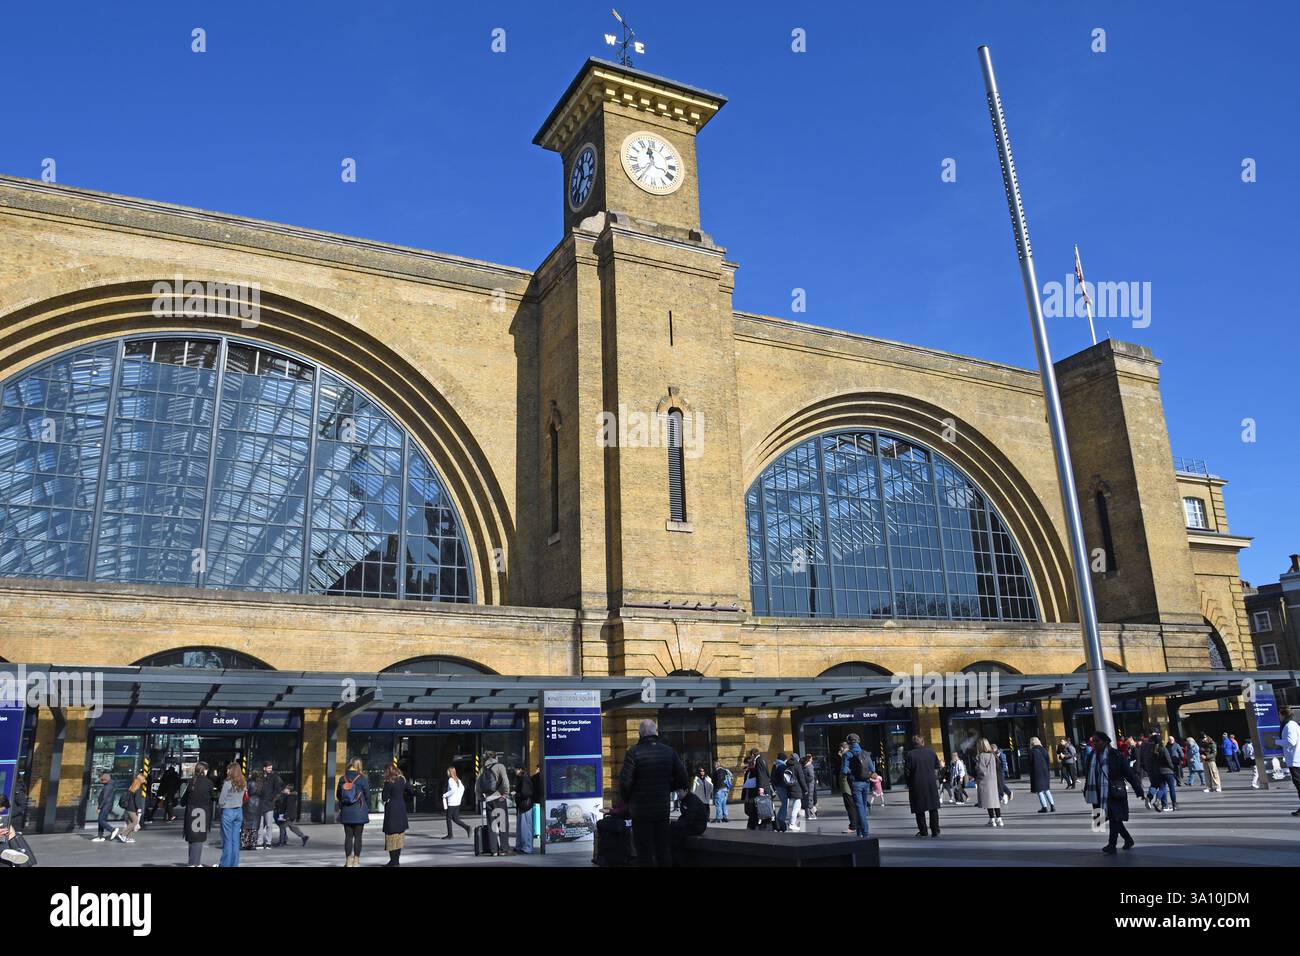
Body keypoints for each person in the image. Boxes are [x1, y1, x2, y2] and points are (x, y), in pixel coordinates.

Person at [617, 719, 689, 866]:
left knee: (644, 851)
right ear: (656, 732)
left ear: (640, 734)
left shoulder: (633, 753)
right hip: (662, 809)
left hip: (640, 810)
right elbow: (683, 778)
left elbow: (625, 782)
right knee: (663, 848)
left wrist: (628, 799)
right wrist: (668, 787)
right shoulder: (669, 751)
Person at [1085, 731, 1144, 854]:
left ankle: (1112, 844)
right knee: (1111, 818)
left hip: (1114, 791)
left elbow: (1128, 773)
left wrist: (1139, 790)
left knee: (1114, 817)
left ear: (1105, 742)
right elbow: (1089, 775)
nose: (1094, 743)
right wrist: (1087, 790)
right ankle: (1128, 839)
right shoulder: (1092, 755)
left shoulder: (1115, 755)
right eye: (1093, 741)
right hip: (1098, 793)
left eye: (1097, 741)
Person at [474, 751, 511, 856]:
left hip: (488, 800)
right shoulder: (500, 766)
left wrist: (480, 796)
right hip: (499, 798)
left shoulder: (482, 769)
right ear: (496, 757)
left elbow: (477, 786)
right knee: (502, 824)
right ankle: (504, 850)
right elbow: (505, 781)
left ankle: (494, 850)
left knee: (492, 825)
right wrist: (506, 793)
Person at [904, 735, 942, 838]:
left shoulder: (910, 755)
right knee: (933, 808)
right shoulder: (931, 752)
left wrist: (908, 783)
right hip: (930, 784)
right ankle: (935, 831)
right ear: (923, 742)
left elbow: (907, 772)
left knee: (919, 810)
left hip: (916, 784)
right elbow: (937, 767)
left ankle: (923, 831)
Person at [336, 756, 370, 867]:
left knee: (348, 837)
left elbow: (338, 795)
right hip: (359, 811)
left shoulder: (342, 778)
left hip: (347, 811)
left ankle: (348, 861)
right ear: (359, 765)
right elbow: (367, 795)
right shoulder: (362, 778)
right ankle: (356, 861)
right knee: (358, 837)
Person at [842, 733, 875, 837]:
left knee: (859, 807)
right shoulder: (865, 753)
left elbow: (844, 770)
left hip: (855, 783)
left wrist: (850, 771)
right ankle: (859, 832)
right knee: (863, 807)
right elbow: (872, 769)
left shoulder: (848, 754)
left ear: (849, 742)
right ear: (858, 741)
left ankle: (865, 832)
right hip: (866, 783)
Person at [381, 764, 413, 866]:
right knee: (399, 835)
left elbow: (384, 797)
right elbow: (410, 791)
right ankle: (397, 860)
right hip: (401, 808)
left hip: (392, 809)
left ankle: (393, 861)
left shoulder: (389, 781)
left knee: (391, 836)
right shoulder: (402, 779)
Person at [182, 761, 213, 866]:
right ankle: (194, 863)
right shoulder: (208, 783)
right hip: (202, 813)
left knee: (192, 839)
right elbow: (211, 797)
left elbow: (183, 800)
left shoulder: (191, 782)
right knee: (199, 840)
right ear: (204, 770)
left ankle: (193, 862)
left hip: (191, 813)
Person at [218, 762, 246, 867]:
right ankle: (234, 863)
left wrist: (222, 806)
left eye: (228, 769)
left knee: (227, 840)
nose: (226, 771)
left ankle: (225, 864)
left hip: (228, 811)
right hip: (239, 811)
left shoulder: (228, 782)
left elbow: (221, 800)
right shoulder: (243, 782)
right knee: (235, 840)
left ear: (231, 770)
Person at [975, 739, 1003, 827]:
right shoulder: (993, 755)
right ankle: (999, 819)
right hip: (994, 780)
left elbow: (981, 770)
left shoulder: (981, 756)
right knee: (995, 800)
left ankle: (992, 819)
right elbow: (998, 767)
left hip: (985, 781)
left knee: (988, 801)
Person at [742, 751, 772, 830]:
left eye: (746, 764)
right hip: (749, 794)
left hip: (754, 794)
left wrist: (761, 788)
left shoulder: (756, 769)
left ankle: (754, 827)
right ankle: (754, 826)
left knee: (755, 811)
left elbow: (761, 779)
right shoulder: (748, 771)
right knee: (750, 811)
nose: (745, 766)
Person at [1279, 706, 1300, 815]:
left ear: (1283, 714)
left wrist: (1278, 742)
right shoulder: (1293, 724)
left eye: (1279, 714)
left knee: (1299, 784)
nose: (1279, 717)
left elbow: (1291, 741)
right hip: (1296, 758)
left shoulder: (1289, 726)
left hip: (1295, 760)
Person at [441, 766, 472, 839]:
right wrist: (459, 798)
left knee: (448, 818)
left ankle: (450, 835)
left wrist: (445, 795)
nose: (447, 772)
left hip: (452, 802)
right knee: (455, 818)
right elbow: (463, 789)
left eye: (448, 771)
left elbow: (453, 790)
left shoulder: (451, 780)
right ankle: (467, 827)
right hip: (457, 802)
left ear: (450, 772)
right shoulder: (458, 780)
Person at [257, 761, 282, 849]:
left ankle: (268, 842)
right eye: (269, 768)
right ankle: (259, 842)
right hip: (260, 804)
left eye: (271, 768)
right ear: (264, 768)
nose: (270, 770)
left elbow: (278, 789)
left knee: (269, 824)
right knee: (259, 824)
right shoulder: (259, 777)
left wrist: (271, 798)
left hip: (269, 804)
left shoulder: (274, 777)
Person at [1027, 737, 1055, 813]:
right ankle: (1052, 805)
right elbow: (1048, 760)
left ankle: (1044, 807)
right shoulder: (1044, 750)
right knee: (1046, 789)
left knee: (1039, 791)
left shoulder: (1031, 751)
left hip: (1036, 772)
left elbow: (1030, 763)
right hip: (1045, 772)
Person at [117, 772, 146, 843]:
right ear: (141, 779)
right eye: (144, 779)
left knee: (130, 822)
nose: (144, 780)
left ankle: (128, 838)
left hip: (128, 807)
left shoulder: (132, 786)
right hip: (132, 808)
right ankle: (122, 835)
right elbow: (137, 800)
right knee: (135, 822)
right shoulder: (138, 788)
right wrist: (139, 808)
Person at [512, 765, 534, 855]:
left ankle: (526, 847)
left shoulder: (524, 779)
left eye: (516, 769)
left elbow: (526, 793)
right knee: (522, 827)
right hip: (523, 806)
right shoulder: (522, 778)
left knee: (525, 827)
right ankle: (521, 846)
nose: (514, 771)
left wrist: (516, 794)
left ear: (520, 769)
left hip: (525, 806)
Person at [1152, 736, 1178, 811]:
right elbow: (1168, 761)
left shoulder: (1154, 750)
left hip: (1159, 772)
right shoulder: (1163, 749)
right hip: (1167, 771)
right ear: (1161, 741)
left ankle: (1157, 801)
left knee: (1162, 788)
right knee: (1171, 788)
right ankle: (1174, 804)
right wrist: (1173, 768)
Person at [91, 772, 117, 842]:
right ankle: (100, 836)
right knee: (101, 821)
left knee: (101, 820)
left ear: (105, 780)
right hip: (106, 805)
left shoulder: (108, 786)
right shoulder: (109, 785)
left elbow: (104, 798)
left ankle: (112, 830)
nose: (101, 781)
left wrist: (99, 807)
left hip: (105, 806)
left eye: (102, 780)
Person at [785, 750, 807, 830]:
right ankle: (792, 823)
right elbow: (801, 779)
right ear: (797, 759)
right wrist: (805, 789)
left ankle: (790, 821)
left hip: (789, 787)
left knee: (793, 806)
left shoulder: (787, 765)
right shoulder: (797, 765)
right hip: (796, 788)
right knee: (796, 807)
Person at [801, 754, 818, 819]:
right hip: (809, 785)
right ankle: (810, 815)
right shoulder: (808, 767)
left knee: (808, 799)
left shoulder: (806, 767)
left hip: (808, 785)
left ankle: (809, 814)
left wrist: (804, 780)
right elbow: (811, 777)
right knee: (809, 799)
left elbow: (811, 776)